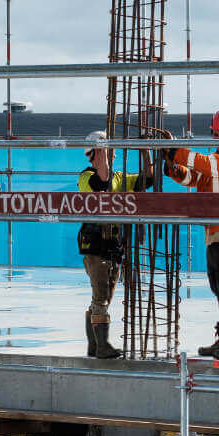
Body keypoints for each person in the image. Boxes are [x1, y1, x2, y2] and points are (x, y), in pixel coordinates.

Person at [166, 108, 219, 359]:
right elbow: (192, 177)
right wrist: (173, 166)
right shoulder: (215, 162)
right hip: (215, 234)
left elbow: (203, 164)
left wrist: (175, 151)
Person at [76, 131, 155, 359]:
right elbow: (102, 181)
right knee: (100, 297)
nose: (103, 156)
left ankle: (94, 345)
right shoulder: (86, 177)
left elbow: (146, 180)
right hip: (95, 246)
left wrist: (145, 151)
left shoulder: (120, 178)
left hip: (113, 246)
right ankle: (101, 346)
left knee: (104, 298)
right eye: (99, 153)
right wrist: (103, 151)